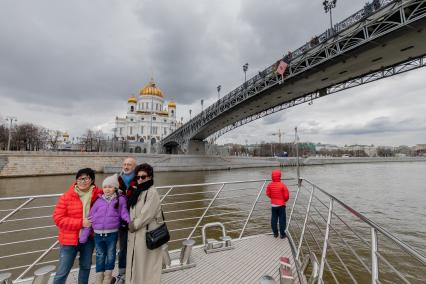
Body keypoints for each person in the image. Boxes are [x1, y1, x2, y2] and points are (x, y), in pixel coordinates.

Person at [52, 168, 102, 284]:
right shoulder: (67, 196)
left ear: (92, 180)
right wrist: (80, 223)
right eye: (80, 179)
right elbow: (58, 219)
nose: (83, 181)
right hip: (69, 241)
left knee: (85, 267)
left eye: (87, 178)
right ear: (76, 180)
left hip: (89, 238)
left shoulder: (98, 195)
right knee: (62, 271)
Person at [79, 174, 130, 284]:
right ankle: (99, 278)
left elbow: (124, 213)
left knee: (111, 255)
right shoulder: (98, 201)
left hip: (112, 234)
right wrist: (84, 235)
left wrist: (129, 221)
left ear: (115, 188)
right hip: (98, 235)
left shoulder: (120, 200)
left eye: (110, 187)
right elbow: (90, 218)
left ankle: (107, 278)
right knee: (100, 255)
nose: (107, 189)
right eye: (105, 187)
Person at [126, 163, 162, 284]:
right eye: (138, 177)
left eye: (143, 176)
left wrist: (132, 225)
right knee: (136, 262)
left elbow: (146, 214)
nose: (140, 179)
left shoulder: (152, 192)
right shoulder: (138, 191)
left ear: (150, 177)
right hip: (136, 234)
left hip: (146, 233)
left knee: (146, 263)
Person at [115, 157, 137, 283]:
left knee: (137, 247)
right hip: (122, 221)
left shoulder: (139, 179)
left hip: (136, 220)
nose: (126, 166)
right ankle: (122, 274)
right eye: (124, 164)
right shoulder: (117, 179)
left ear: (134, 167)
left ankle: (135, 271)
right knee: (123, 248)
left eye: (129, 164)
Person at [266, 169, 290, 239]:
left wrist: (273, 198)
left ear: (272, 176)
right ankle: (282, 234)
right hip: (281, 205)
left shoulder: (270, 185)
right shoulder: (283, 185)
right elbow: (286, 196)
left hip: (273, 205)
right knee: (282, 220)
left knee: (274, 219)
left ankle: (275, 233)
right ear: (280, 176)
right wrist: (284, 200)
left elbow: (268, 193)